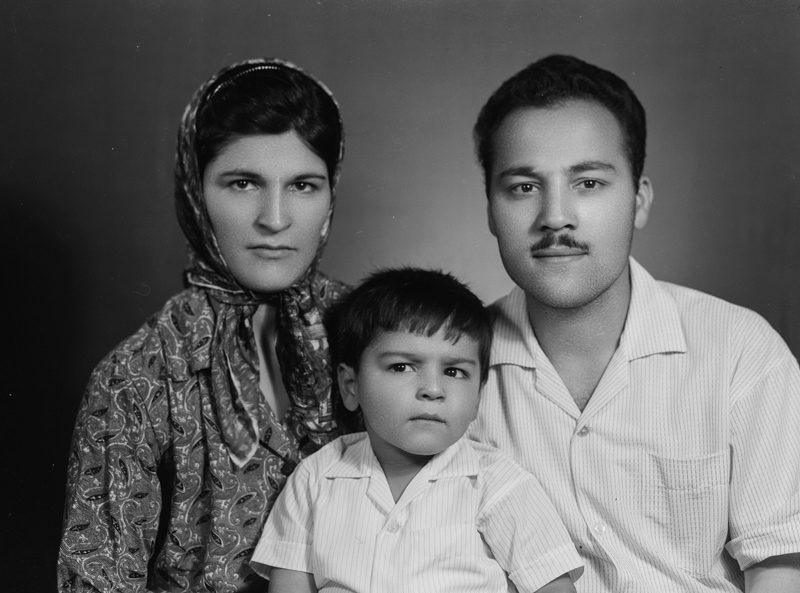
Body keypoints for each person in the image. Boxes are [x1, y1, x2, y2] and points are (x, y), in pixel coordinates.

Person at [468, 54, 800, 592]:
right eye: (524, 187)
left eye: (589, 183)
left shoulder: (740, 350)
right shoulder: (448, 371)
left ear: (638, 199)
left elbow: (780, 568)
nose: (555, 216)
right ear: (489, 209)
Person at [58, 59, 350, 593]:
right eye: (243, 183)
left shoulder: (378, 330)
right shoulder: (137, 376)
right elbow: (97, 581)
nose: (276, 218)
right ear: (196, 189)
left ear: (332, 193)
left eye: (304, 185)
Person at [250, 268, 584, 593]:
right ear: (351, 386)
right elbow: (290, 585)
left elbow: (552, 584)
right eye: (402, 366)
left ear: (479, 396)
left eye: (453, 371)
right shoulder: (315, 478)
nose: (433, 389)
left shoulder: (497, 484)